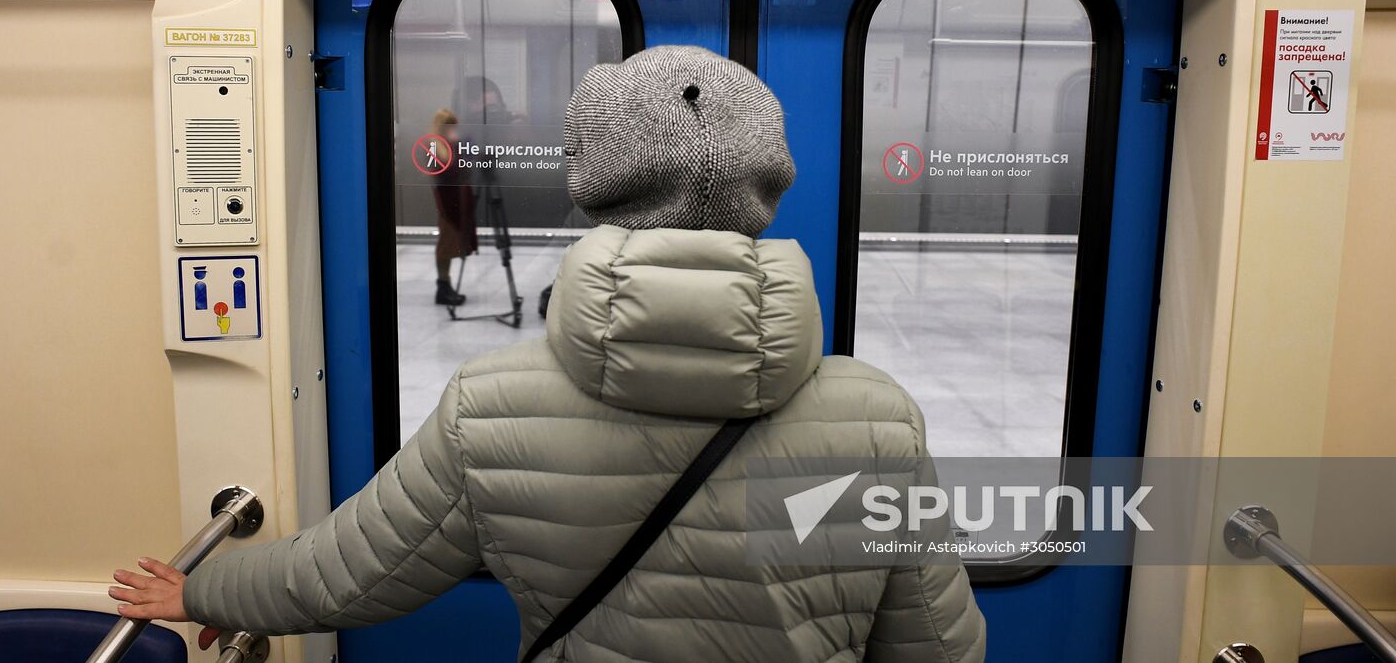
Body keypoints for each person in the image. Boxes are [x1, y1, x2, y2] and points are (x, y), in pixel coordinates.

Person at [108, 45, 986, 662]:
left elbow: (349, 571)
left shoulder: (492, 404)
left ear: (596, 184)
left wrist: (202, 594)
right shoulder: (876, 419)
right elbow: (937, 645)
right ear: (768, 183)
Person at [428, 107, 475, 307]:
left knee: (452, 240)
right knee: (447, 242)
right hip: (448, 199)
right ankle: (443, 285)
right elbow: (448, 166)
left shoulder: (449, 143)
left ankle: (445, 284)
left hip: (458, 195)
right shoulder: (436, 144)